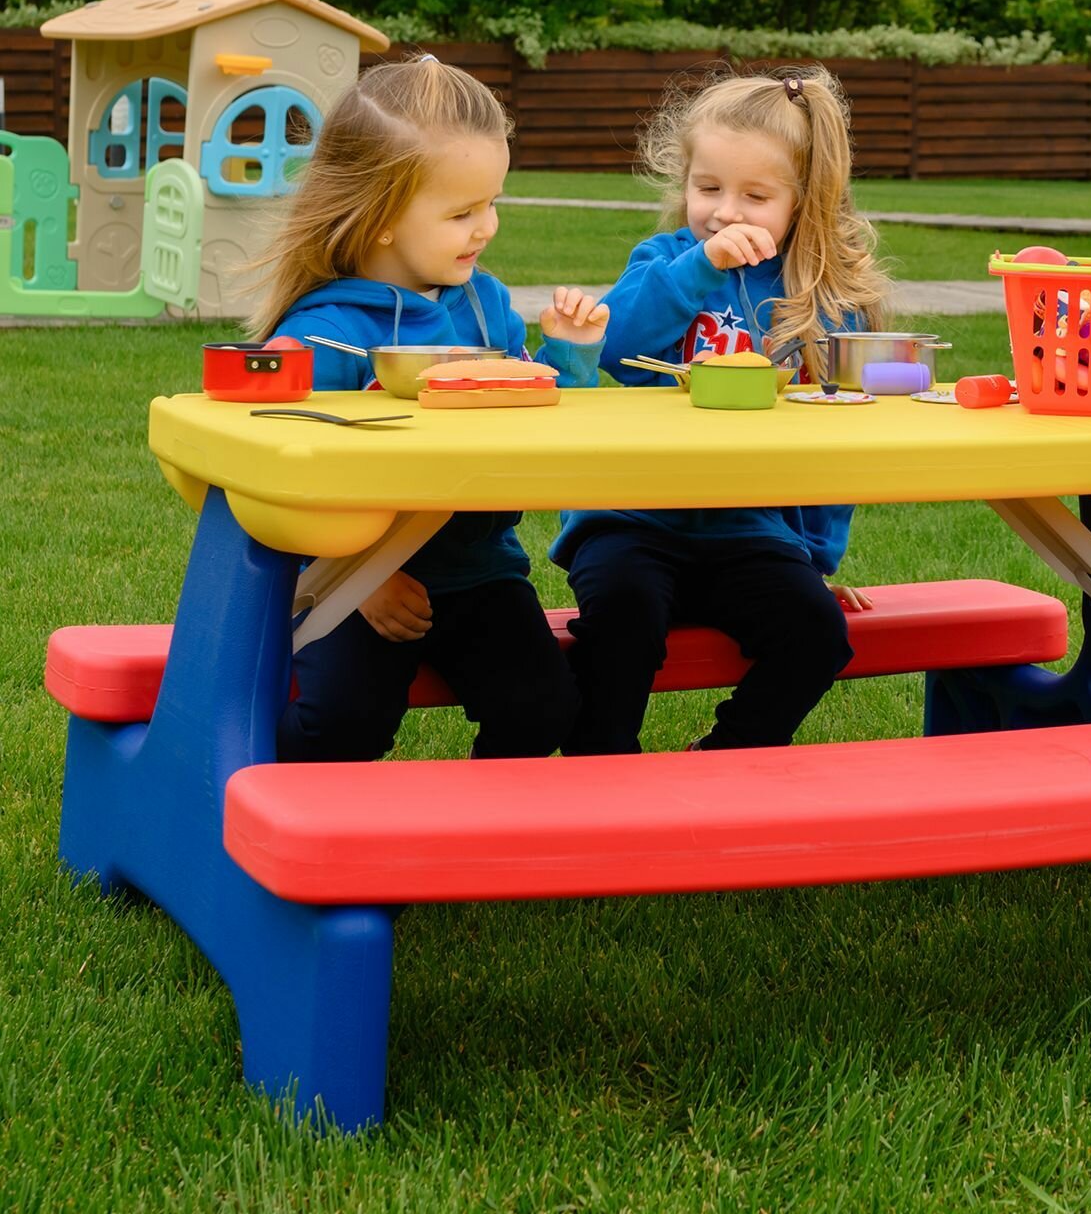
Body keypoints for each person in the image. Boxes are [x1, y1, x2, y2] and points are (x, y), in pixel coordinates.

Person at [249, 55, 609, 762]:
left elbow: (536, 423)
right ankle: (249, 789)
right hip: (354, 582)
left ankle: (478, 825)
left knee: (544, 707)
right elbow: (277, 472)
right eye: (461, 213)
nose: (487, 227)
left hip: (480, 572)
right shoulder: (323, 336)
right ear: (381, 216)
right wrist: (358, 577)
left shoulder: (487, 304)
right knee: (342, 727)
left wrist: (568, 358)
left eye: (492, 203)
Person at [552, 66, 890, 755]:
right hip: (633, 520)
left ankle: (724, 763)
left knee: (816, 633)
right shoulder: (665, 261)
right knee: (622, 622)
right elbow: (616, 345)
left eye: (755, 196)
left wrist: (812, 560)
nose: (726, 212)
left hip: (749, 529)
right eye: (708, 188)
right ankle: (600, 771)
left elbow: (837, 440)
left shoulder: (820, 299)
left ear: (805, 200)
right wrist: (699, 267)